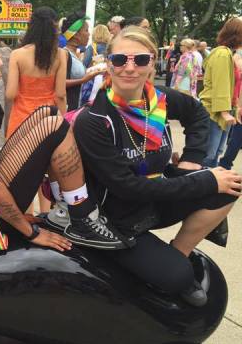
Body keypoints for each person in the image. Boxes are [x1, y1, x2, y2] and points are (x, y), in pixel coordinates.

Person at [73, 26, 241, 306]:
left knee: (230, 184)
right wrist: (203, 180)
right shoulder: (93, 120)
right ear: (108, 64)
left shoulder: (159, 100)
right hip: (115, 219)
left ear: (152, 61)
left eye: (139, 59)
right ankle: (163, 265)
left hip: (154, 200)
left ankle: (180, 250)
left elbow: (197, 113)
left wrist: (192, 161)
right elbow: (127, 188)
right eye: (119, 60)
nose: (129, 68)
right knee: (178, 278)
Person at [0, 31, 126, 252]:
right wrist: (29, 231)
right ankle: (82, 215)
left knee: (48, 112)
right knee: (56, 127)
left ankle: (63, 208)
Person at [6, 7, 67, 137]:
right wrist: (65, 124)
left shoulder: (17, 55)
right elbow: (60, 94)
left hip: (21, 120)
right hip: (48, 120)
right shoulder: (61, 55)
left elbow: (10, 94)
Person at [200, 17, 242, 167]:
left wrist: (234, 109)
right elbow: (221, 84)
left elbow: (232, 85)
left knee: (216, 152)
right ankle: (202, 186)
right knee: (209, 154)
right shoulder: (222, 54)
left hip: (222, 109)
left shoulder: (227, 53)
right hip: (214, 110)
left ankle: (209, 186)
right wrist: (224, 111)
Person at [62, 12, 96, 111]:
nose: (89, 34)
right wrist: (83, 80)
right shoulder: (64, 54)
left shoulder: (75, 54)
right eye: (86, 30)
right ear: (76, 35)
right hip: (69, 111)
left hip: (77, 109)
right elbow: (59, 83)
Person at [218, 48, 242, 170]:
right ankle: (225, 165)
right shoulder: (237, 56)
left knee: (237, 137)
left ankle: (225, 164)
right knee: (237, 136)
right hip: (238, 103)